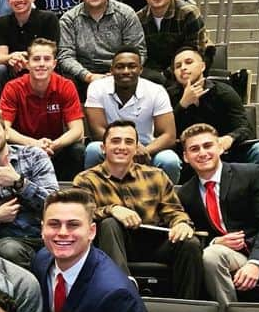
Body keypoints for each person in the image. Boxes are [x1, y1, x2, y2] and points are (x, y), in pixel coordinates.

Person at [33, 187, 162, 312]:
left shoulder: (116, 293)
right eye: (54, 224)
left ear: (92, 231)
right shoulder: (42, 261)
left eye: (73, 225)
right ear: (42, 228)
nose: (62, 233)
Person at [74, 119, 203, 298]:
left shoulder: (156, 175)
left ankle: (188, 307)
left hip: (154, 242)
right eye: (115, 141)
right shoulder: (86, 179)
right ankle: (121, 295)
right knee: (110, 223)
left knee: (190, 243)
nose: (122, 147)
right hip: (112, 243)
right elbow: (80, 216)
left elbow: (174, 211)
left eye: (128, 142)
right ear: (103, 148)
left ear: (136, 148)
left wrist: (181, 223)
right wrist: (112, 209)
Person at [177, 123, 259, 305]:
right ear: (185, 157)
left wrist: (256, 263)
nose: (202, 153)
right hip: (226, 255)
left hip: (257, 249)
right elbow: (194, 237)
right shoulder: (186, 193)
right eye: (194, 149)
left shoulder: (251, 174)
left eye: (208, 146)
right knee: (212, 255)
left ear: (220, 147)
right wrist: (215, 241)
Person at [0, 108, 59, 268]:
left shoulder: (34, 155)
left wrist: (19, 182)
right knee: (8, 250)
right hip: (8, 241)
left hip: (45, 234)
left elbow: (54, 204)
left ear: (6, 133)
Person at [83, 48, 179, 181]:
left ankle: (166, 200)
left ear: (140, 69)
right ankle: (93, 197)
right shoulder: (97, 87)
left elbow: (169, 135)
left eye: (132, 66)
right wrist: (127, 148)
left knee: (169, 160)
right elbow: (98, 130)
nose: (126, 71)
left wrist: (142, 150)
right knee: (94, 149)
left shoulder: (156, 91)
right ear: (111, 70)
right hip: (112, 146)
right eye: (120, 67)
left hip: (146, 149)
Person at [0, 38, 86, 179]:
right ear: (27, 64)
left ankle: (69, 194)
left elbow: (78, 131)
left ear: (54, 64)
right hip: (23, 149)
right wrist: (35, 144)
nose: (41, 64)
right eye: (36, 59)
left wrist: (54, 145)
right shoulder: (13, 88)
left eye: (46, 59)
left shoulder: (66, 86)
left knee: (77, 150)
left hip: (54, 149)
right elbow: (4, 129)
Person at [57, 0, 147, 97]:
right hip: (83, 73)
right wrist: (88, 76)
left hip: (122, 69)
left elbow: (139, 51)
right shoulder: (69, 19)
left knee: (154, 80)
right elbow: (65, 57)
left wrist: (120, 71)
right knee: (65, 85)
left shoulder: (126, 14)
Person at [168, 45, 259, 166]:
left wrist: (229, 138)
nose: (183, 68)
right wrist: (182, 105)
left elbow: (244, 128)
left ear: (202, 66)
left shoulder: (223, 92)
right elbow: (165, 133)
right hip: (187, 156)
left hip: (226, 152)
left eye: (189, 62)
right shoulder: (168, 95)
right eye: (178, 66)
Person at [0, 0, 60, 98]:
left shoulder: (48, 19)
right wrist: (11, 57)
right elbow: (1, 58)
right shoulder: (2, 22)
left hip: (41, 64)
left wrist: (27, 60)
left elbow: (51, 53)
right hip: (13, 69)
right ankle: (1, 111)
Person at [137, 0, 208, 84]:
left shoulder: (189, 13)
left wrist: (165, 76)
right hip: (153, 76)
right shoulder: (138, 18)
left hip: (184, 71)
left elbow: (195, 51)